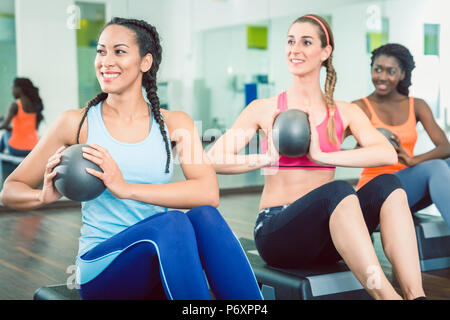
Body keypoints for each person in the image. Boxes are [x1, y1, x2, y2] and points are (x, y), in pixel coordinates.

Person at [0, 17, 263, 300]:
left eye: (119, 51)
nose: (106, 61)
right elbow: (10, 190)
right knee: (173, 223)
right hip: (104, 269)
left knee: (204, 216)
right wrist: (42, 197)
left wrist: (125, 188)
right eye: (101, 51)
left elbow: (207, 193)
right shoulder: (76, 123)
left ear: (145, 62)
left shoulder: (175, 123)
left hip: (159, 256)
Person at [207, 14, 426, 300]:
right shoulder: (264, 109)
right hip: (278, 233)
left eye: (306, 42)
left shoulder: (344, 111)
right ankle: (389, 298)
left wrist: (323, 155)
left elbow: (385, 153)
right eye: (290, 41)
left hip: (329, 235)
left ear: (325, 52)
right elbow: (213, 158)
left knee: (389, 185)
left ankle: (416, 295)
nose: (294, 49)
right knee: (336, 191)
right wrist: (265, 158)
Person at [353, 43, 450, 228]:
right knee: (436, 167)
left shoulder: (417, 105)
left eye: (391, 71)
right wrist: (361, 150)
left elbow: (446, 147)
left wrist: (413, 161)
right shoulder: (360, 107)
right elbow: (335, 145)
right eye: (377, 69)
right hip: (373, 191)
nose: (382, 77)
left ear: (402, 74)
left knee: (447, 165)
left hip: (404, 188)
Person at [0, 77, 44, 157]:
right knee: (9, 132)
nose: (12, 91)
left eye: (13, 88)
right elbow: (29, 129)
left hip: (16, 148)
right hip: (33, 148)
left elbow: (4, 126)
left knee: (5, 134)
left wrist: (3, 123)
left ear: (19, 89)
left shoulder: (15, 105)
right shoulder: (35, 104)